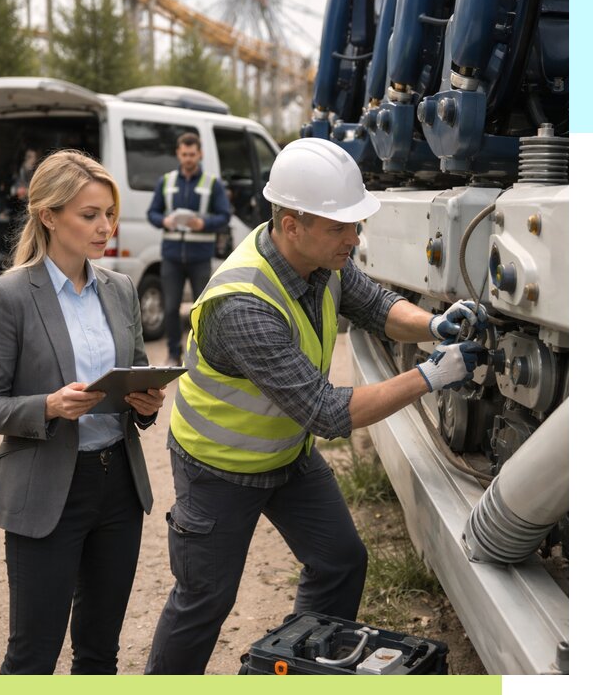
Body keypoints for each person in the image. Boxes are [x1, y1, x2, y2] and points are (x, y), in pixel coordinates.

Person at [144, 137, 487, 674]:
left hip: (285, 456)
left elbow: (376, 307)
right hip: (218, 469)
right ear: (291, 224)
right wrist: (430, 375)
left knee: (340, 562)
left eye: (355, 224)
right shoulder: (242, 303)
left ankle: (301, 672)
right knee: (204, 602)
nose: (354, 238)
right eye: (340, 227)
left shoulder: (324, 261)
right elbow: (326, 411)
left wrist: (435, 325)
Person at [0, 150, 166, 675]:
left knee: (100, 654)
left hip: (118, 491)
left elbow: (135, 371)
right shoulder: (9, 296)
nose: (105, 226)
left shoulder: (121, 288)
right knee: (32, 657)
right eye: (90, 215)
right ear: (48, 216)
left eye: (109, 212)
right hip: (45, 494)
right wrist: (49, 405)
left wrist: (146, 404)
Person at [147, 132, 232, 364]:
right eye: (184, 154)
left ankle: (202, 356)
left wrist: (203, 224)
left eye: (192, 154)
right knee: (171, 308)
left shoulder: (212, 183)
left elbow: (225, 216)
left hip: (199, 258)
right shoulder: (166, 181)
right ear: (178, 153)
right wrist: (163, 221)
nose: (188, 159)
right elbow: (152, 213)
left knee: (202, 309)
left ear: (200, 154)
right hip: (172, 257)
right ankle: (174, 355)